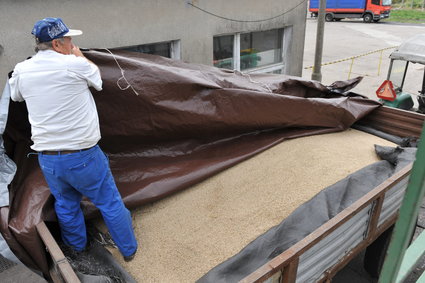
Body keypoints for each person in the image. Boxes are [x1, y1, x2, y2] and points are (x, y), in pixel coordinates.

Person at [8, 17, 138, 261]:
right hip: (83, 157)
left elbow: (15, 96)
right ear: (57, 44)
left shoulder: (22, 70)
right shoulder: (75, 65)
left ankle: (77, 250)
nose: (72, 44)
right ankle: (129, 250)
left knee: (66, 205)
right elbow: (97, 80)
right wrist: (79, 56)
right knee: (109, 203)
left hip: (49, 160)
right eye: (69, 40)